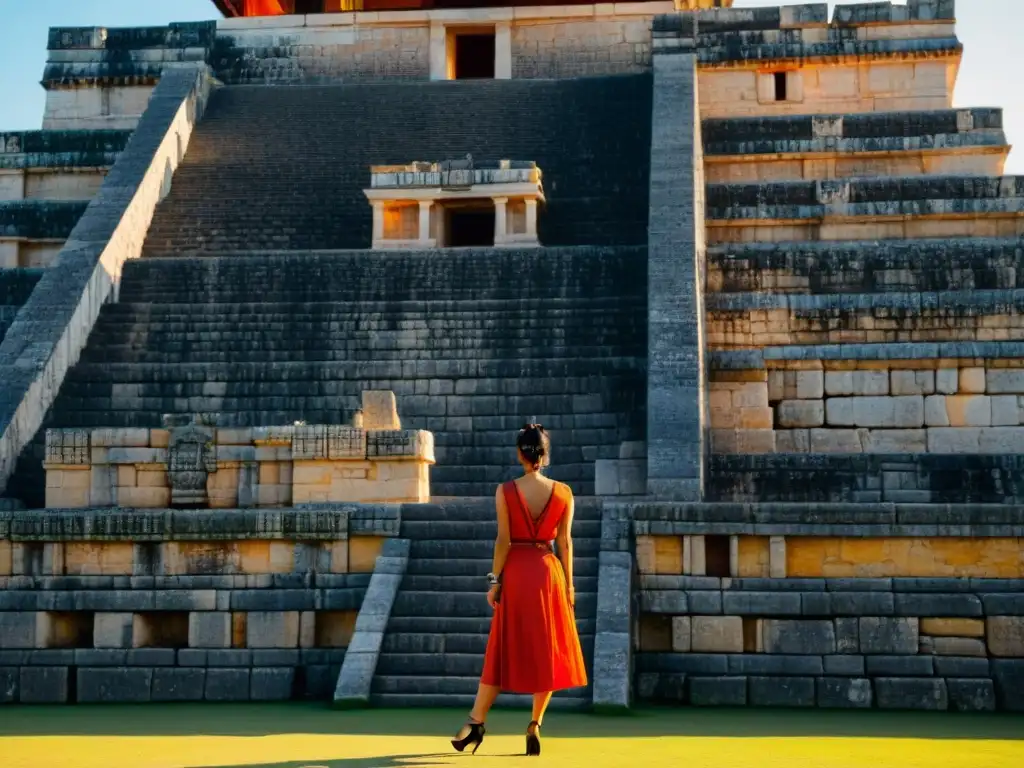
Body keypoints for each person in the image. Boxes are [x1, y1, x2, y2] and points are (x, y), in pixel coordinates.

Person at [450, 424, 588, 757]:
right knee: (547, 652)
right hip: (549, 573)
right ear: (546, 454)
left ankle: (475, 722)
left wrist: (494, 581)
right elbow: (566, 543)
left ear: (519, 454)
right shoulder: (564, 492)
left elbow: (503, 541)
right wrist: (569, 585)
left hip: (516, 573)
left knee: (501, 649)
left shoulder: (506, 491)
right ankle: (534, 725)